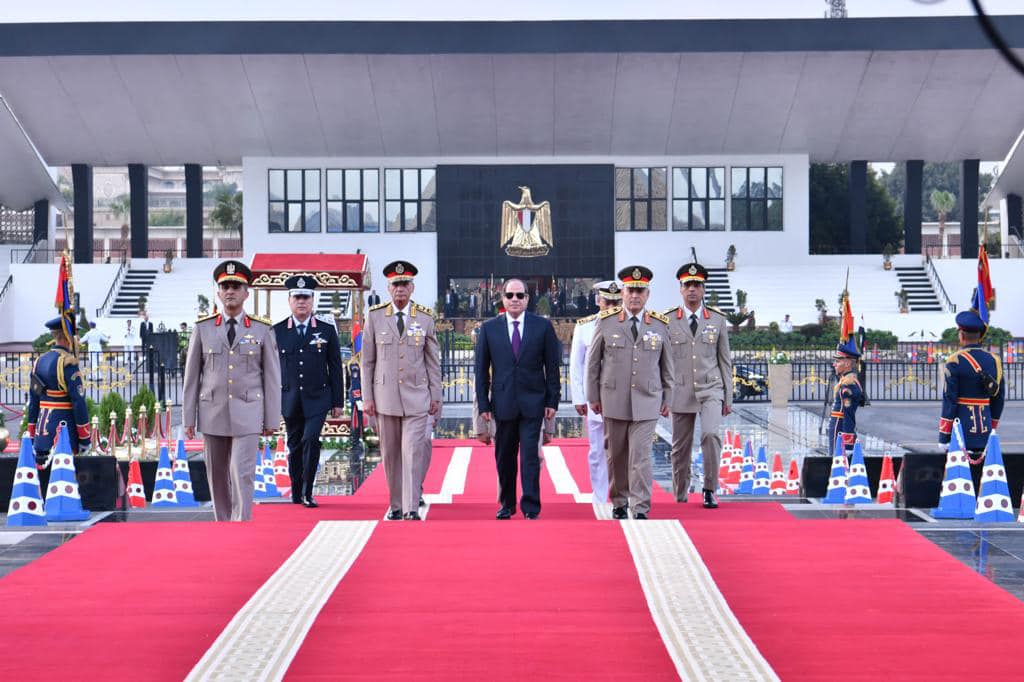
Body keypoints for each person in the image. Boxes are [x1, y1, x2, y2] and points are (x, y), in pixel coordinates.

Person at [182, 260, 281, 522]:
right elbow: (192, 377)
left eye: (236, 286)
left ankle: (241, 523)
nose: (230, 291)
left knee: (242, 471)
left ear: (246, 293)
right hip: (212, 410)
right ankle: (223, 524)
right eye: (225, 286)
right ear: (218, 292)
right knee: (216, 475)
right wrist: (188, 418)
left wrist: (271, 419)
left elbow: (272, 377)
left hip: (248, 410)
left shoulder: (261, 328)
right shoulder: (203, 328)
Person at [586, 266, 673, 520]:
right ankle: (620, 501)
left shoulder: (659, 325)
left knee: (641, 455)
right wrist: (593, 396)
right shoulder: (607, 321)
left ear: (647, 294)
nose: (635, 295)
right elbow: (593, 363)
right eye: (631, 290)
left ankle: (641, 505)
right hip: (613, 400)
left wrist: (668, 398)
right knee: (617, 455)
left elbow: (667, 366)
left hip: (647, 400)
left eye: (640, 291)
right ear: (622, 293)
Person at [362, 260, 441, 521]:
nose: (400, 289)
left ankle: (410, 507)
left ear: (412, 287)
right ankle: (396, 504)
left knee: (413, 451)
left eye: (405, 284)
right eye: (395, 284)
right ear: (388, 288)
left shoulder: (424, 318)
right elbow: (367, 362)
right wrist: (368, 398)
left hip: (417, 398)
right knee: (391, 455)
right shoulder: (375, 317)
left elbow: (433, 362)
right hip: (385, 399)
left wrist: (436, 397)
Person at [475, 278, 561, 520]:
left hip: (533, 402)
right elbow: (481, 371)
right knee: (504, 457)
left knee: (530, 457)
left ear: (527, 299)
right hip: (502, 403)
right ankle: (507, 504)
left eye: (520, 295)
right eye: (510, 295)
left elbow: (552, 368)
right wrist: (483, 404)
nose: (515, 300)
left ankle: (531, 506)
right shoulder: (489, 328)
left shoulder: (542, 327)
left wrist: (552, 401)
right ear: (502, 299)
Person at [665, 262, 732, 509]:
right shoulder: (668, 320)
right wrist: (663, 395)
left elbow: (725, 360)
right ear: (680, 289)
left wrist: (728, 397)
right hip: (680, 389)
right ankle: (680, 493)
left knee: (710, 435)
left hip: (710, 388)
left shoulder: (717, 319)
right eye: (688, 285)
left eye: (697, 285)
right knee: (680, 447)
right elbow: (663, 361)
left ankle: (709, 489)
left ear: (703, 289)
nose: (692, 289)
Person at [273, 274, 344, 508]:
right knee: (294, 446)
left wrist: (338, 402)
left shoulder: (326, 330)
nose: (301, 302)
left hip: (318, 397)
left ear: (313, 300)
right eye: (297, 297)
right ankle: (296, 491)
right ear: (289, 301)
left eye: (306, 297)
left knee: (311, 439)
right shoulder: (278, 331)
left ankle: (307, 490)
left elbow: (335, 367)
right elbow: (271, 370)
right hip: (290, 398)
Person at [569, 280, 620, 504]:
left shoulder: (629, 325)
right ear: (598, 301)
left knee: (621, 449)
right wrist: (579, 398)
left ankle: (621, 494)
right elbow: (576, 364)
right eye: (607, 302)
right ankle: (600, 496)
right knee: (597, 449)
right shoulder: (585, 326)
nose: (611, 307)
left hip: (621, 398)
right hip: (595, 398)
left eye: (616, 302)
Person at [939, 307, 1005, 452]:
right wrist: (992, 427)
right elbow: (998, 399)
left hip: (961, 431)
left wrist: (944, 436)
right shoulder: (994, 360)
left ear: (962, 335)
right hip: (986, 429)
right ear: (980, 335)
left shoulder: (955, 360)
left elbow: (950, 400)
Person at [26, 315, 92, 456]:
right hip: (63, 437)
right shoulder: (67, 363)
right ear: (68, 337)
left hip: (41, 435)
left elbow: (34, 402)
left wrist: (32, 434)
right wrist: (85, 438)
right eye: (75, 335)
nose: (77, 339)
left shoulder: (39, 361)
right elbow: (78, 403)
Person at [828, 337, 864, 456]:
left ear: (847, 363)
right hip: (837, 428)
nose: (834, 364)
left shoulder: (848, 386)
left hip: (840, 430)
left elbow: (848, 416)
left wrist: (848, 444)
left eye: (838, 361)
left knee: (837, 461)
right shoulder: (845, 381)